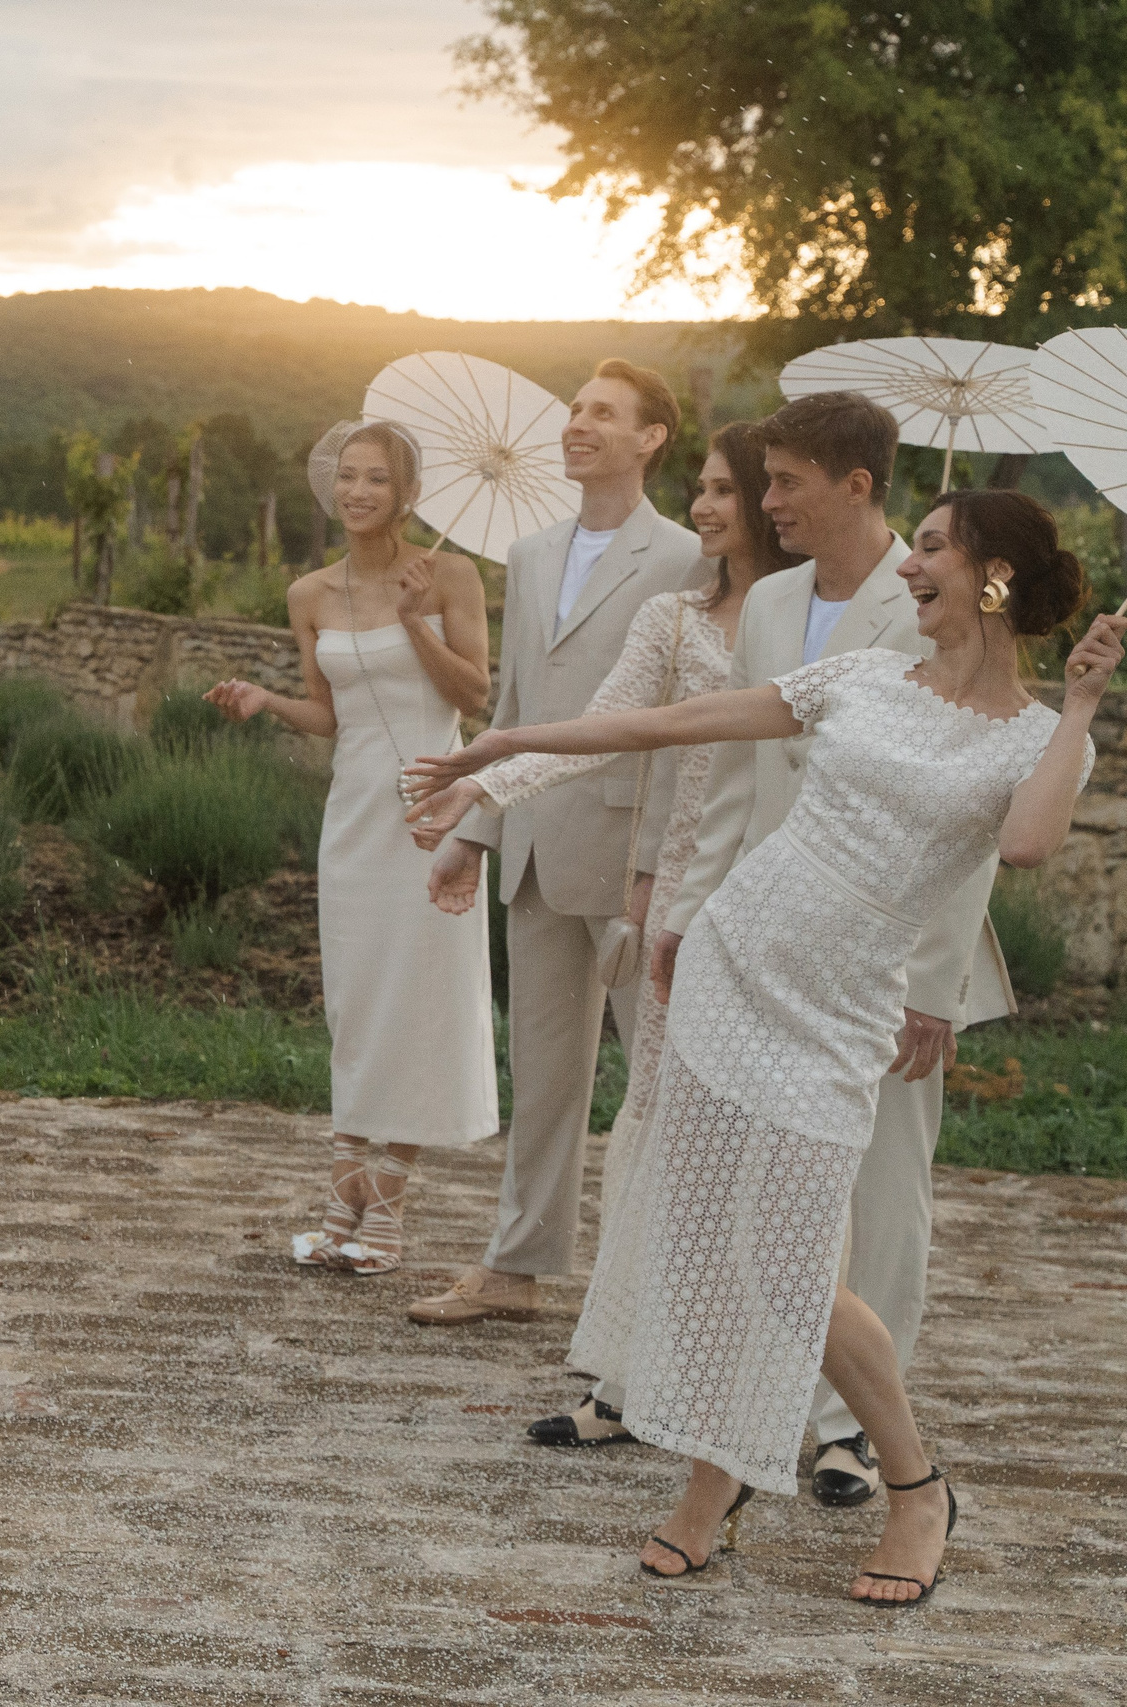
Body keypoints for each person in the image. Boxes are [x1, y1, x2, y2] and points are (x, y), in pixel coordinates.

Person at [404, 487, 1114, 1602]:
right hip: (734, 967)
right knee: (711, 1246)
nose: (907, 568)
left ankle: (916, 1487)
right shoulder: (864, 677)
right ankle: (711, 1487)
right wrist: (511, 743)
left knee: (787, 1264)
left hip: (837, 1012)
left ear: (992, 578)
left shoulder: (1031, 738)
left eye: (929, 550)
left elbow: (1024, 846)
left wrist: (1077, 707)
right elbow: (668, 725)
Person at [652, 391, 1011, 1504]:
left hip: (890, 957)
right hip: (760, 940)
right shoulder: (764, 602)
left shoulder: (940, 600)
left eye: (785, 481)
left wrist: (934, 991)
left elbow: (977, 834)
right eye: (761, 481)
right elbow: (736, 781)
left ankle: (854, 1434)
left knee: (882, 1189)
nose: (765, 503)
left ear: (857, 484)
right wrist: (688, 912)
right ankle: (748, 1415)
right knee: (754, 1193)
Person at [410, 421, 800, 1444]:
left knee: (752, 1141)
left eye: (722, 492)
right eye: (701, 490)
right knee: (652, 1124)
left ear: (768, 502)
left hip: (774, 899)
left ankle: (770, 1383)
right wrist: (485, 782)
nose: (704, 508)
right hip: (672, 895)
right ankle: (624, 1380)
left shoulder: (810, 627)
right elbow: (602, 727)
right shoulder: (674, 618)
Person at [410, 359, 708, 1327]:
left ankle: (664, 1285)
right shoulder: (532, 552)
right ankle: (515, 1269)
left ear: (650, 437)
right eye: (575, 410)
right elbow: (514, 708)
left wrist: (663, 862)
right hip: (534, 844)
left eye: (602, 414)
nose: (577, 424)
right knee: (541, 1075)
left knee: (661, 1076)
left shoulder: (684, 557)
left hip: (632, 854)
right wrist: (479, 828)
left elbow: (684, 721)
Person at [204, 421, 497, 1273]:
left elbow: (473, 697)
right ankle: (341, 1193)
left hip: (428, 808)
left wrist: (415, 621)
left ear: (408, 493)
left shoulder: (449, 576)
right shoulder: (309, 594)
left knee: (419, 998)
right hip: (354, 816)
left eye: (378, 478)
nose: (358, 491)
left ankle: (386, 1206)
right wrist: (265, 700)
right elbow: (330, 717)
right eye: (348, 476)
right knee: (357, 998)